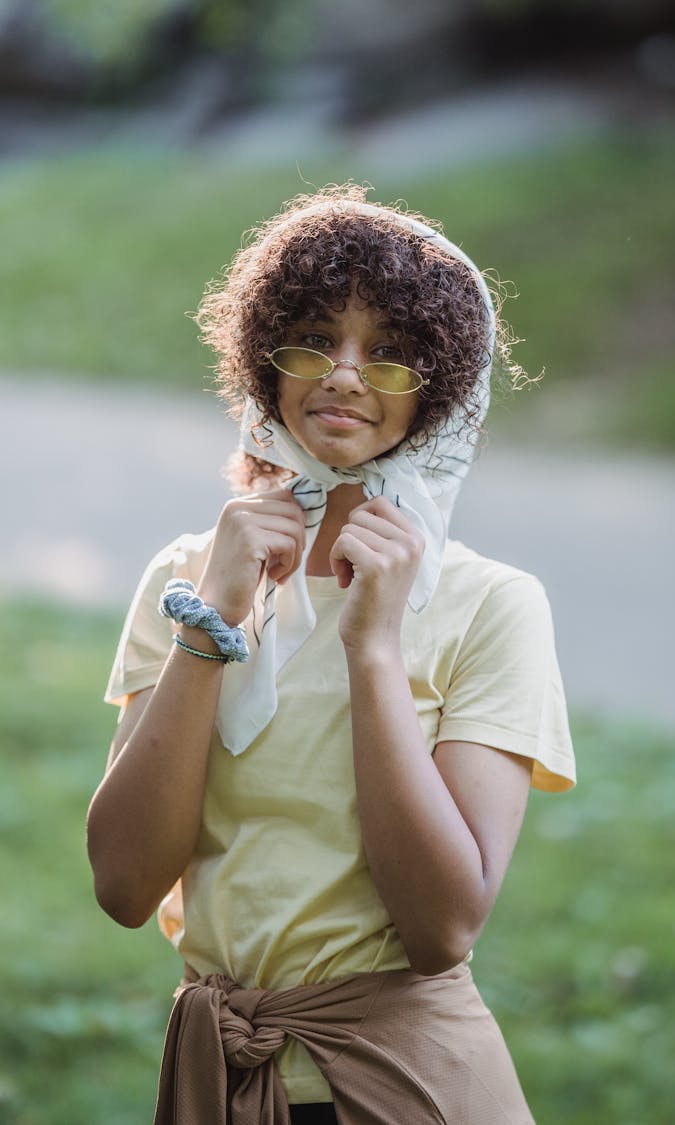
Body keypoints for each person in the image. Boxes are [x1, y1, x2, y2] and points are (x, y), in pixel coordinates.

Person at [87, 184, 576, 1124]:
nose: (345, 375)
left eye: (390, 352)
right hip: (221, 1078)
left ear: (440, 386)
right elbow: (124, 883)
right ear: (261, 360)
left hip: (409, 1084)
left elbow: (441, 928)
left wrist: (376, 648)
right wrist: (216, 615)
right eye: (313, 336)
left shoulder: (489, 604)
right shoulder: (188, 577)